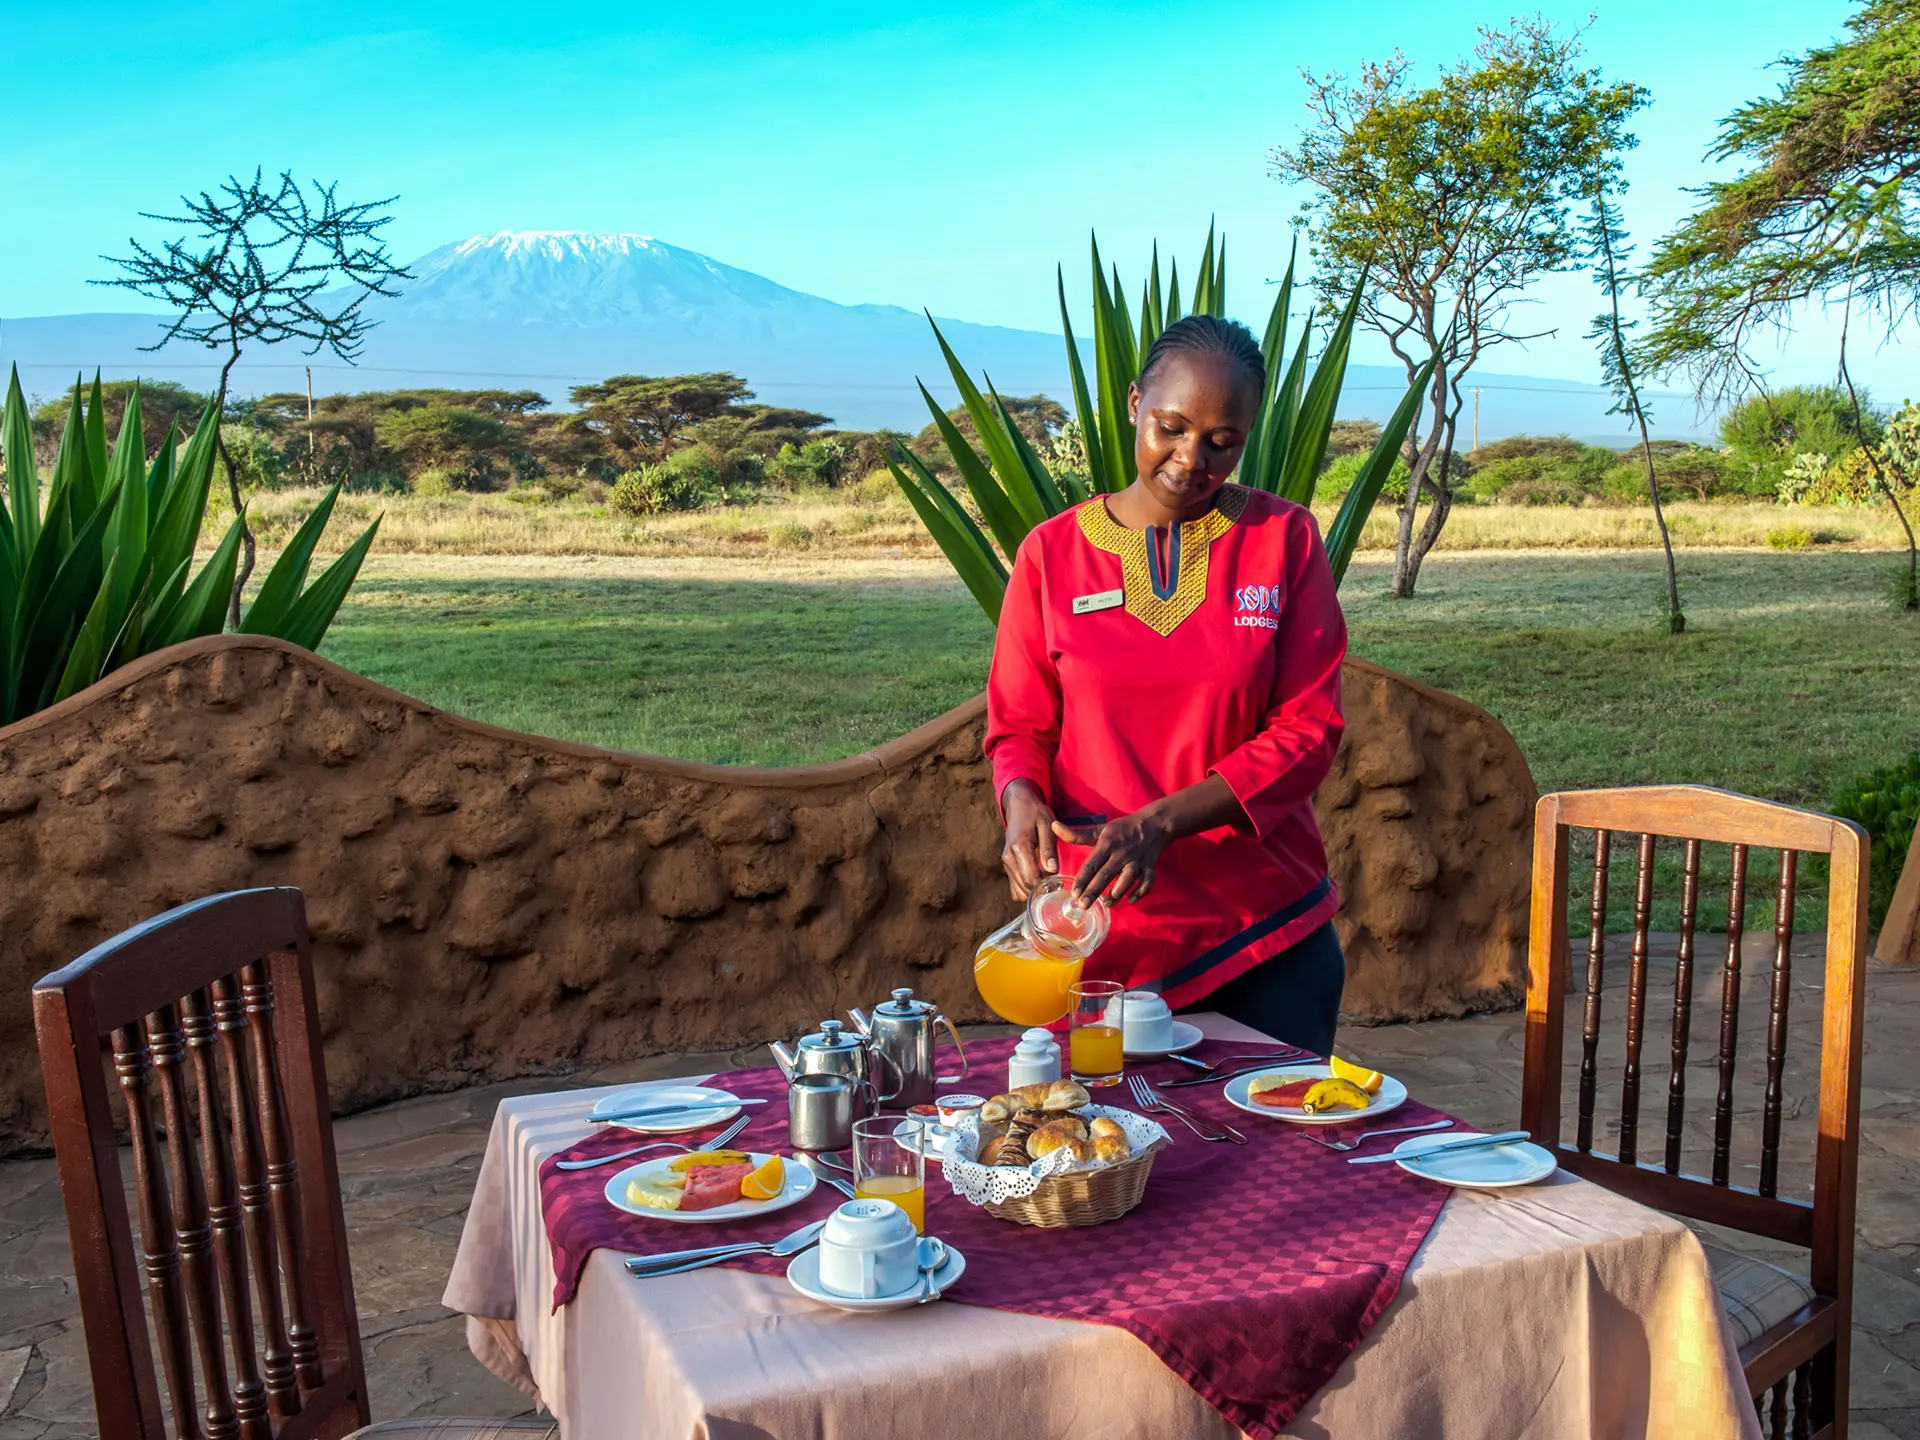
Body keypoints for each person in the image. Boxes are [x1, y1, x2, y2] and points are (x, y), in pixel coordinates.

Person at [983, 314, 1348, 1055]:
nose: (1190, 460)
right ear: (1132, 405)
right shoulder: (1050, 555)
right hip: (1097, 938)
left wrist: (1160, 823)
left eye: (1223, 442)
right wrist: (1020, 799)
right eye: (1170, 428)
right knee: (1101, 1159)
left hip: (1264, 928)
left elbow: (1309, 729)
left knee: (1277, 1161)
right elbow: (1019, 726)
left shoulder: (1284, 541)